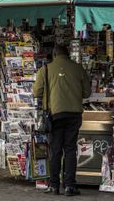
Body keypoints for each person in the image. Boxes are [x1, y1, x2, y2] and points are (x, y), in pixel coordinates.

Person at [33, 45, 91, 196]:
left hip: (54, 115)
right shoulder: (78, 68)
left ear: (54, 54)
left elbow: (36, 92)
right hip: (74, 115)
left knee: (55, 150)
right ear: (68, 54)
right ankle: (70, 186)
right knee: (70, 149)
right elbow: (87, 92)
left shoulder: (45, 70)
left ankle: (54, 186)